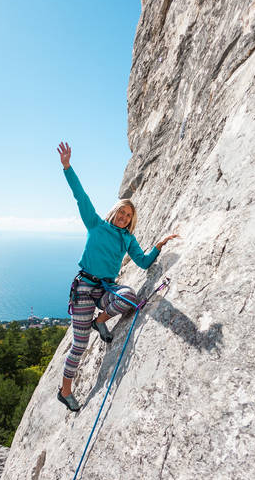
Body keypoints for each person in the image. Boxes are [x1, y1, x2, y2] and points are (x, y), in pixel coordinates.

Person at [57, 141, 178, 412]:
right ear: (115, 212)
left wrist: (159, 246)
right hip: (84, 288)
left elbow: (143, 262)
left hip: (105, 290)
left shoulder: (128, 239)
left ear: (131, 220)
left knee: (130, 297)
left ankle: (100, 321)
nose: (123, 217)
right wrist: (67, 167)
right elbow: (81, 196)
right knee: (79, 345)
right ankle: (65, 392)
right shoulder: (96, 224)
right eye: (121, 212)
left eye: (128, 215)